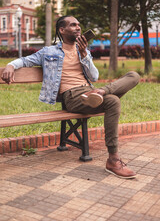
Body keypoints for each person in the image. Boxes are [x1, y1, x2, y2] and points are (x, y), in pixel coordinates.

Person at [1, 15, 140, 179]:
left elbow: (94, 76)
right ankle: (114, 159)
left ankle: (101, 92)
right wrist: (10, 65)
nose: (78, 27)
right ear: (62, 30)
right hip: (73, 97)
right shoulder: (49, 52)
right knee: (114, 100)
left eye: (79, 25)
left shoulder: (84, 51)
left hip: (90, 90)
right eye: (73, 25)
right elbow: (25, 60)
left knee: (134, 75)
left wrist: (84, 55)